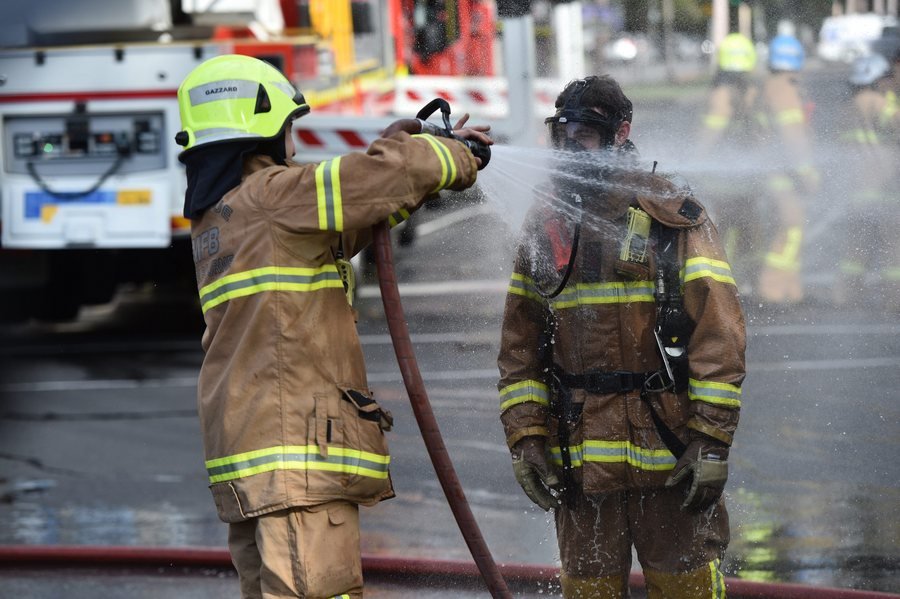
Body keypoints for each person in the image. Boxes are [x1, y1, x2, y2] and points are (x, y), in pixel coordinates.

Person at [175, 54, 490, 599]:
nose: (294, 140)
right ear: (260, 131)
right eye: (289, 127)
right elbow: (376, 179)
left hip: (257, 458)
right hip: (294, 455)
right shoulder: (273, 197)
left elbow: (357, 211)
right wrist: (453, 154)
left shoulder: (225, 217)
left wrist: (412, 162)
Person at [497, 75, 746, 598]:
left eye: (583, 134)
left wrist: (711, 441)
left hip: (669, 459)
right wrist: (526, 439)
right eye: (560, 133)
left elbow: (718, 335)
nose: (569, 146)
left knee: (689, 592)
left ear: (621, 132)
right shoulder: (546, 224)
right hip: (581, 465)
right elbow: (520, 348)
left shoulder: (670, 214)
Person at [833, 45, 900, 311]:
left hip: (856, 190)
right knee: (892, 247)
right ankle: (893, 299)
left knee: (855, 250)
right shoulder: (880, 103)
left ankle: (846, 297)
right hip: (885, 190)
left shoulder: (847, 109)